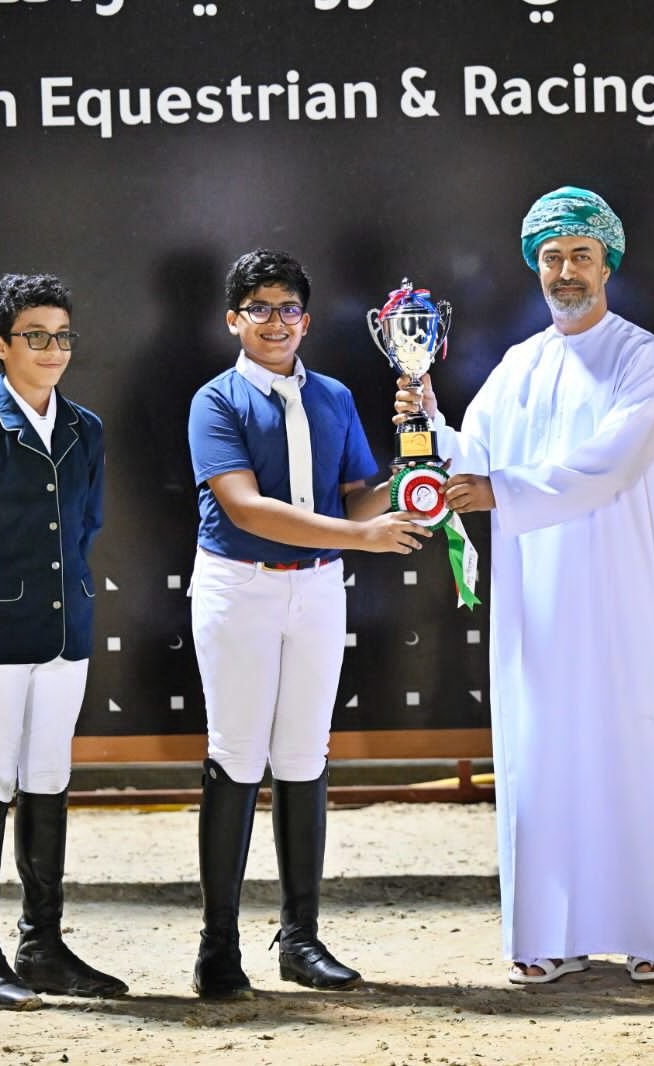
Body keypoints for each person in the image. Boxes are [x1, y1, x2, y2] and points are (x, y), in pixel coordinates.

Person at [395, 187, 654, 984]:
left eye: (581, 256)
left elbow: (613, 461)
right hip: (538, 602)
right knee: (544, 756)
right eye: (553, 257)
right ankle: (550, 936)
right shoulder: (519, 365)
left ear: (608, 265)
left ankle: (650, 934)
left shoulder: (643, 359)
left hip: (623, 593)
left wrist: (503, 491)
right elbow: (473, 460)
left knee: (632, 748)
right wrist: (428, 421)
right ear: (537, 267)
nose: (567, 272)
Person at [187, 249, 430, 1000]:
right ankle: (218, 947)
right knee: (236, 755)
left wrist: (415, 464)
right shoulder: (216, 401)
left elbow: (358, 496)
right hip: (241, 587)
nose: (276, 322)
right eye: (259, 309)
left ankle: (300, 940)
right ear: (233, 320)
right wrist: (362, 537)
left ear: (308, 320)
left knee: (303, 755)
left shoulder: (333, 396)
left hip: (320, 588)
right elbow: (245, 508)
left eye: (288, 308)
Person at [0, 273, 125, 1010]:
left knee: (49, 777)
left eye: (62, 336)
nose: (53, 349)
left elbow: (87, 525)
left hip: (68, 631)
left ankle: (43, 946)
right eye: (36, 336)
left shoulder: (85, 430)